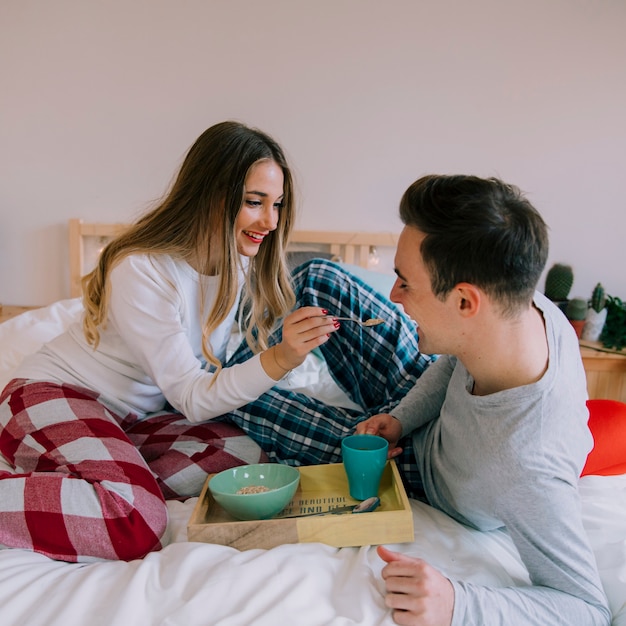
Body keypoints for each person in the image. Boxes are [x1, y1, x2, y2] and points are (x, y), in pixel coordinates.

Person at [0, 121, 431, 562]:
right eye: (253, 202)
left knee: (254, 455)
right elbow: (191, 396)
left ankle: (89, 474)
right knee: (134, 520)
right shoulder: (142, 269)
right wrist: (281, 357)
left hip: (133, 419)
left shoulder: (237, 261)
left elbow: (215, 381)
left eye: (277, 204)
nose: (270, 221)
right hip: (53, 395)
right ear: (209, 196)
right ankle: (93, 483)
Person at [357, 175, 611, 625]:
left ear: (464, 302)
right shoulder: (522, 306)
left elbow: (588, 610)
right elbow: (458, 360)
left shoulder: (526, 464)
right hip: (426, 420)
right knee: (318, 276)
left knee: (265, 407)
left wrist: (458, 603)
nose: (393, 296)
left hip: (423, 475)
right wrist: (399, 418)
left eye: (405, 283)